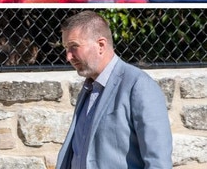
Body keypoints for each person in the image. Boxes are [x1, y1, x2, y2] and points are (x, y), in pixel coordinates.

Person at [56, 11, 173, 169]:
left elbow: (158, 163)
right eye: (66, 48)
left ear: (101, 45)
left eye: (74, 47)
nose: (68, 56)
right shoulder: (89, 88)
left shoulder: (138, 86)